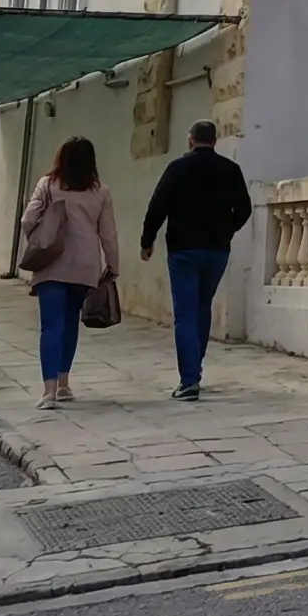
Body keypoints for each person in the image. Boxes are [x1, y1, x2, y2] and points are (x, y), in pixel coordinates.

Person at [139, 120, 253, 402]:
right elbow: (244, 209)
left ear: (190, 140)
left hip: (183, 250)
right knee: (202, 307)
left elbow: (157, 206)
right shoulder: (230, 169)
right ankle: (195, 368)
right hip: (216, 251)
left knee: (185, 313)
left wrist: (147, 240)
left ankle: (189, 380)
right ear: (214, 141)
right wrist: (227, 230)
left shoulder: (177, 168)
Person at [22, 137, 119, 410]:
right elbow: (108, 234)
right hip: (84, 266)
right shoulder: (101, 192)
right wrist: (113, 265)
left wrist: (41, 239)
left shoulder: (47, 185)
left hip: (52, 263)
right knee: (69, 323)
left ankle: (48, 391)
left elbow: (28, 220)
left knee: (50, 326)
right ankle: (64, 383)